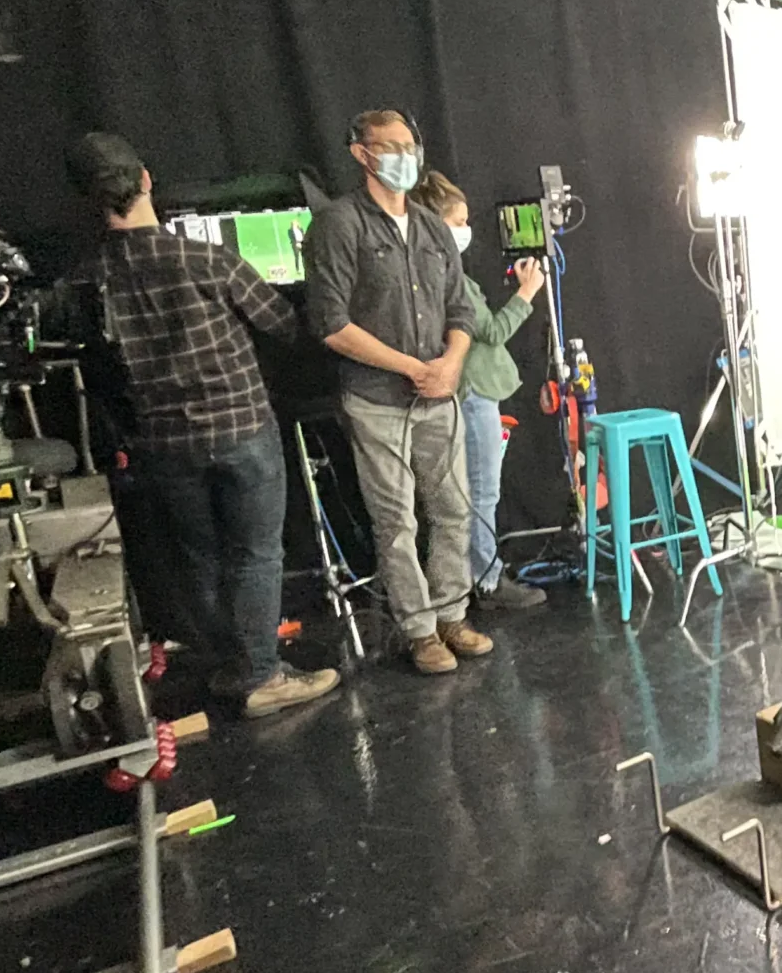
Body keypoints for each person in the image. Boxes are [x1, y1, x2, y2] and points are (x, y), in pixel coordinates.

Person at [61, 132, 341, 717]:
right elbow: (284, 325)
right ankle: (261, 676)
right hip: (241, 429)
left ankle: (237, 665)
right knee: (256, 555)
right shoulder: (205, 258)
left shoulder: (88, 280)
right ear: (145, 180)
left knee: (202, 558)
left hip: (163, 444)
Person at [304, 109, 495, 675]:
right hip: (376, 400)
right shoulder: (339, 226)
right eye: (390, 147)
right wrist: (411, 366)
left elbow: (461, 309)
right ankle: (419, 631)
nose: (404, 158)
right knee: (397, 523)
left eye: (410, 146)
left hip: (439, 394)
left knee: (453, 510)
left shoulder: (433, 228)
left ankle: (452, 615)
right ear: (361, 153)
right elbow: (330, 323)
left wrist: (451, 363)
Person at [410, 169, 547, 611]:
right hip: (471, 396)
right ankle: (486, 581)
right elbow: (492, 331)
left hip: (467, 395)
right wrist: (527, 293)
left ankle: (477, 575)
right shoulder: (449, 279)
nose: (466, 230)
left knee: (470, 493)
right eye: (459, 222)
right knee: (482, 492)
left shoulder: (435, 273)